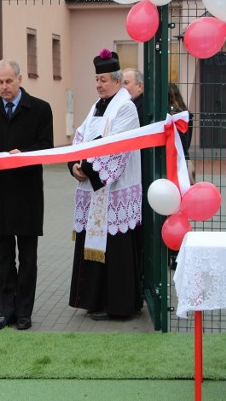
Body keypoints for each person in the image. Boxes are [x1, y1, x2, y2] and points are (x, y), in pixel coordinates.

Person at [0, 60, 54, 331]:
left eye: (9, 81)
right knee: (3, 257)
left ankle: (25, 312)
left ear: (19, 79)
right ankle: (6, 311)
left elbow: (46, 147)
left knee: (28, 258)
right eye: (0, 82)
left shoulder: (40, 109)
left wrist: (25, 154)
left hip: (27, 193)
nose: (4, 87)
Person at [68, 49, 143, 320]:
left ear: (116, 80)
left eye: (102, 79)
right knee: (93, 242)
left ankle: (118, 304)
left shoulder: (125, 107)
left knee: (116, 248)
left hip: (115, 188)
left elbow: (116, 148)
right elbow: (80, 137)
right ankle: (94, 300)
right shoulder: (96, 106)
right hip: (95, 186)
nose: (98, 84)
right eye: (96, 79)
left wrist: (87, 168)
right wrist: (74, 164)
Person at [168, 82, 195, 184]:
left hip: (175, 160)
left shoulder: (178, 116)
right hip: (184, 158)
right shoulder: (186, 115)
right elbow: (187, 143)